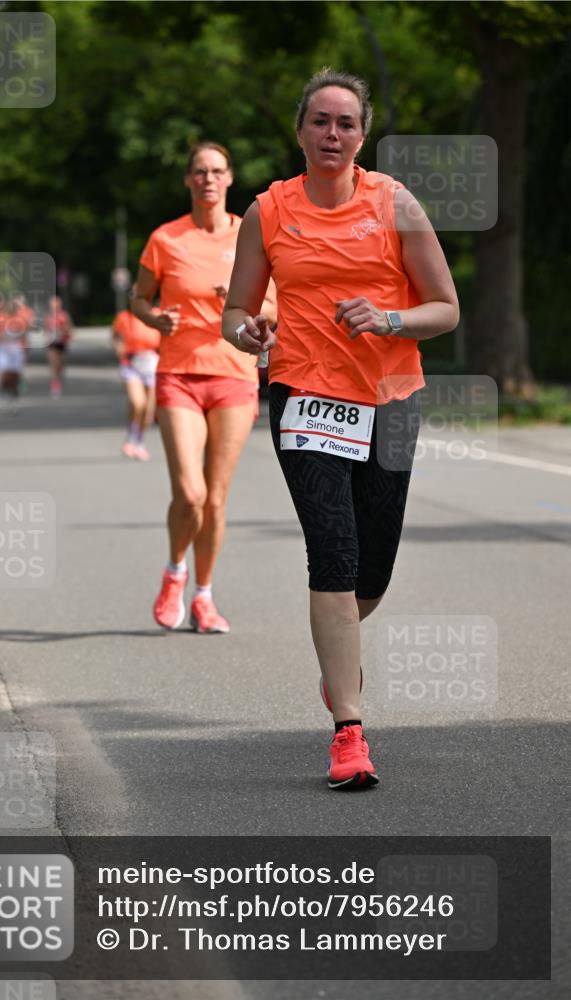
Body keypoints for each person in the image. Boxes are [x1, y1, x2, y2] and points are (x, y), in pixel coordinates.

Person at [223, 68, 459, 789]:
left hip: (388, 396)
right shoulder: (268, 211)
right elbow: (234, 314)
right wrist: (249, 332)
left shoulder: (394, 204)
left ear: (363, 134)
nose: (332, 134)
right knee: (332, 549)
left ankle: (337, 660)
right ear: (298, 130)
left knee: (372, 569)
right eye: (319, 121)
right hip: (302, 395)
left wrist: (388, 318)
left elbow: (444, 308)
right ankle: (348, 732)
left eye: (345, 123)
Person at [132, 141, 276, 634]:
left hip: (234, 376)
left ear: (230, 178)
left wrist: (242, 304)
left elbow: (274, 304)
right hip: (179, 374)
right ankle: (175, 571)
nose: (208, 179)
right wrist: (154, 317)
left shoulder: (251, 233)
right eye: (199, 171)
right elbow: (138, 299)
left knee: (215, 499)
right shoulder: (166, 239)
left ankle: (204, 596)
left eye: (216, 170)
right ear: (188, 180)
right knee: (189, 493)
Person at [112, 304, 161, 460]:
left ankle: (139, 441)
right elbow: (116, 336)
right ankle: (131, 437)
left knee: (148, 408)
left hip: (152, 362)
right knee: (137, 403)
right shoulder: (124, 317)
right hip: (132, 363)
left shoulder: (157, 314)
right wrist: (119, 348)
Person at [0, 298, 30, 410]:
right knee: (4, 375)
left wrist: (25, 349)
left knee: (15, 376)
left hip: (16, 350)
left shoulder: (20, 319)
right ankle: (4, 396)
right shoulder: (0, 318)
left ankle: (14, 399)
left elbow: (24, 335)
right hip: (4, 349)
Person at [43, 296, 73, 398]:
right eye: (53, 305)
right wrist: (48, 337)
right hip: (52, 344)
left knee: (61, 365)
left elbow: (69, 329)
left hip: (62, 343)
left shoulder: (64, 316)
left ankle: (59, 378)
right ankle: (55, 385)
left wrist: (64, 332)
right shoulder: (48, 317)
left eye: (56, 305)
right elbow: (45, 330)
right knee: (54, 365)